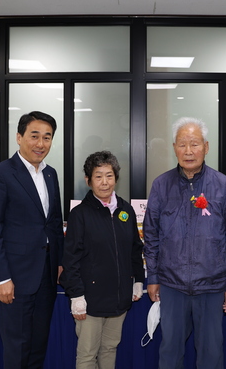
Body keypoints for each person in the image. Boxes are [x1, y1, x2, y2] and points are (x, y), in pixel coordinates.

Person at [143, 117, 226, 369]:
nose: (188, 151)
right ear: (174, 147)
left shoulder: (222, 185)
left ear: (206, 147)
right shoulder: (161, 185)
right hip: (171, 284)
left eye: (195, 144)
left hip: (211, 285)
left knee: (211, 353)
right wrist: (153, 276)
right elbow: (151, 234)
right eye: (182, 144)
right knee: (170, 351)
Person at [0, 111, 64, 369]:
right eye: (34, 136)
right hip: (15, 279)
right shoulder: (0, 174)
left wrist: (59, 262)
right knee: (17, 347)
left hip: (46, 276)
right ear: (19, 137)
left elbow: (54, 222)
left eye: (47, 137)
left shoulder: (50, 174)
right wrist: (1, 278)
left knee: (39, 344)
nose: (41, 144)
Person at [60, 150, 145, 369]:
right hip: (90, 301)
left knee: (110, 349)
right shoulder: (80, 215)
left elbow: (135, 248)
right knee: (87, 354)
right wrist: (76, 296)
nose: (104, 182)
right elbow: (70, 259)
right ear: (88, 181)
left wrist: (137, 280)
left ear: (116, 178)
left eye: (109, 175)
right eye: (98, 176)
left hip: (119, 298)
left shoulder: (125, 210)